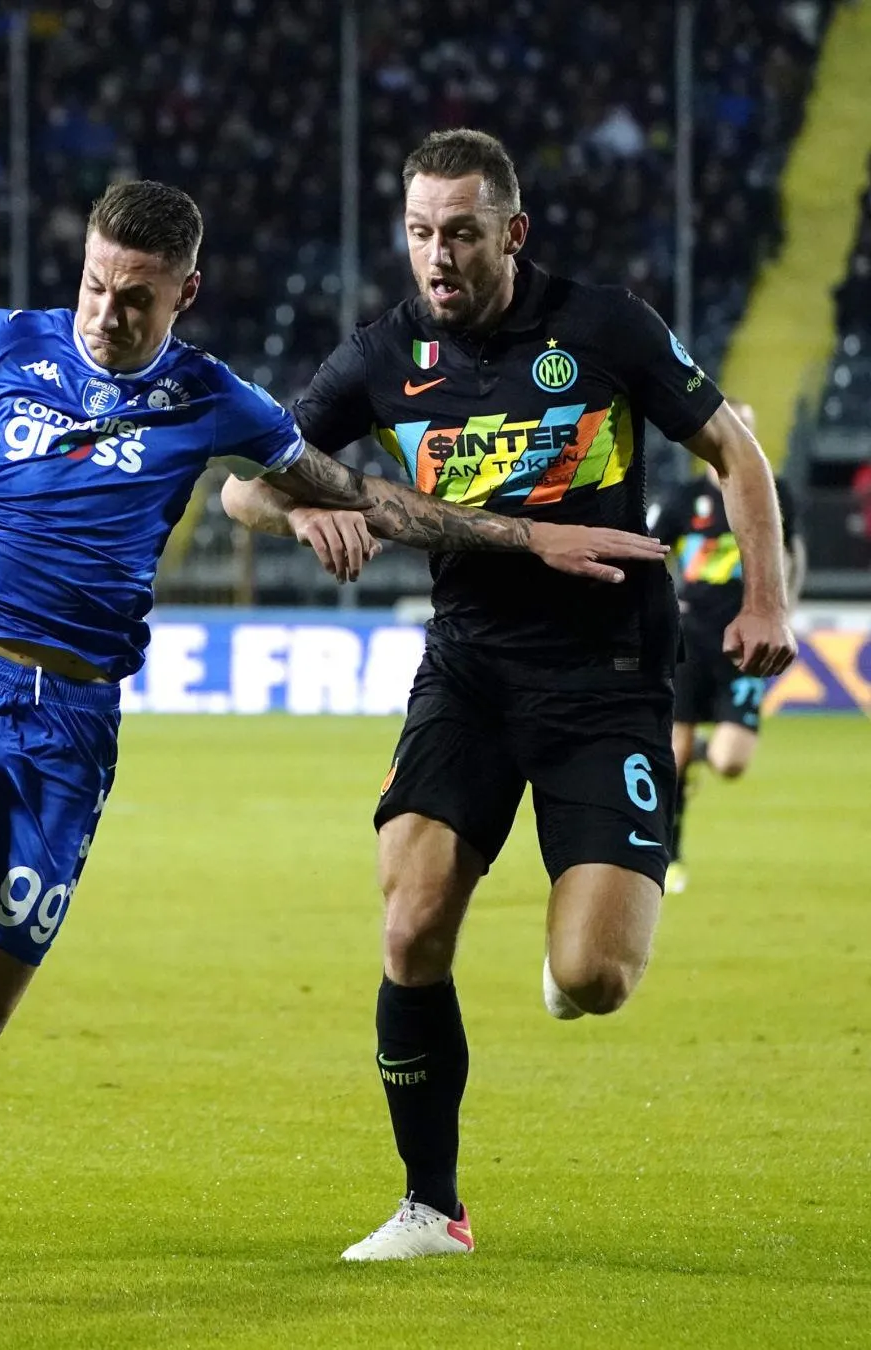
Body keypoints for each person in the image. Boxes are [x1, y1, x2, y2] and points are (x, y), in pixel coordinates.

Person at [0, 178, 671, 1280]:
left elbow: (358, 492)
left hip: (66, 729)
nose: (104, 313)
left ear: (184, 295)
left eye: (134, 299)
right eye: (93, 285)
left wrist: (519, 537)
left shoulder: (213, 400)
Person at [221, 129, 797, 1261]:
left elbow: (736, 454)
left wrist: (766, 604)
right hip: (468, 667)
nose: (435, 257)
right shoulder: (379, 357)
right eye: (419, 233)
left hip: (606, 678)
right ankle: (429, 1207)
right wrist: (295, 510)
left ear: (510, 233)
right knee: (409, 920)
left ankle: (571, 956)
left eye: (460, 234)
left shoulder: (604, 328)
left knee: (595, 978)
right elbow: (246, 484)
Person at [647, 398, 805, 894]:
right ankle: (670, 853)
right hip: (691, 640)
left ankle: (698, 754)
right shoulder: (684, 498)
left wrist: (785, 607)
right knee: (671, 752)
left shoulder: (773, 493)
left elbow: (790, 553)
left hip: (745, 642)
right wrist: (665, 609)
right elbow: (653, 552)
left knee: (732, 762)